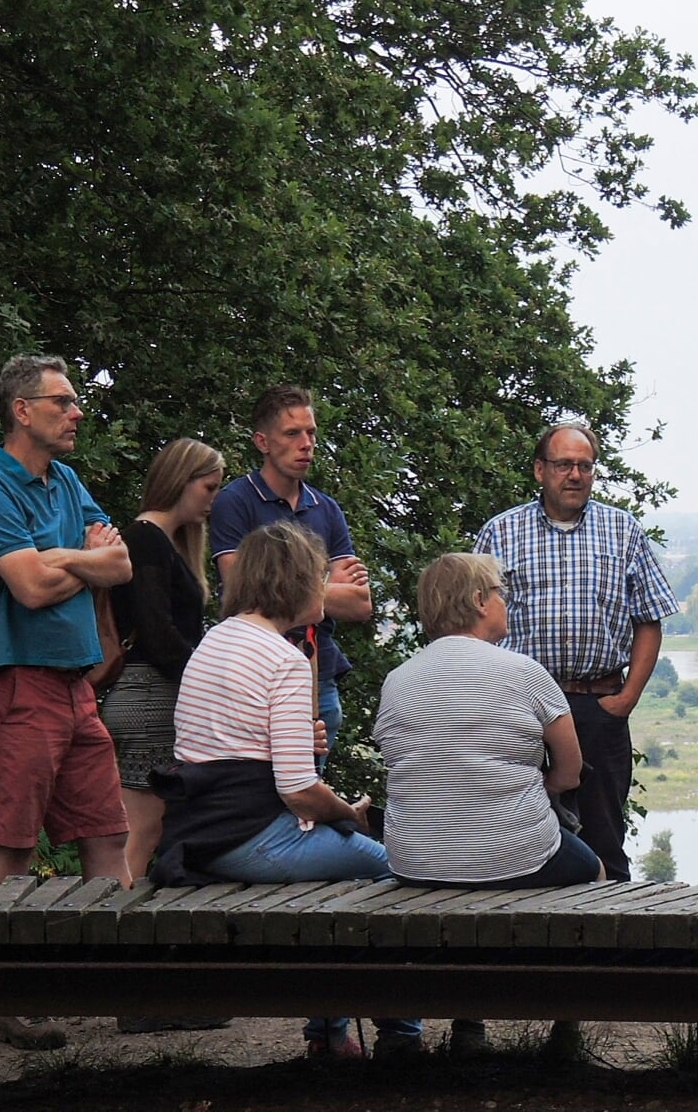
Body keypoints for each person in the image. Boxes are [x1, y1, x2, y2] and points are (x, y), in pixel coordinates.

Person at [153, 521, 420, 1059]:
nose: (324, 589)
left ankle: (328, 1034)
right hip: (255, 839)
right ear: (296, 583)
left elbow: (231, 743)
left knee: (337, 887)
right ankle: (401, 1037)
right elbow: (298, 791)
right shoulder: (284, 659)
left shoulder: (216, 639)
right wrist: (350, 813)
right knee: (396, 871)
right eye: (318, 578)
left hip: (199, 832)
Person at [0, 354, 133, 1050]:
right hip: (12, 680)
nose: (77, 412)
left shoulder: (66, 479)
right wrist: (73, 561)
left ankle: (110, 981)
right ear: (22, 410)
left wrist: (56, 558)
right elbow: (27, 589)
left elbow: (119, 564)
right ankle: (12, 1000)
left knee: (107, 831)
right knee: (13, 841)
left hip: (75, 681)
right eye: (63, 401)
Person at [374, 552, 603, 1056]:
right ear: (479, 602)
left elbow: (396, 760)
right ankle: (566, 1030)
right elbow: (568, 772)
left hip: (418, 860)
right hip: (515, 856)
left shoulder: (398, 680)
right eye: (500, 592)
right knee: (592, 870)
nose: (505, 602)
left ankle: (469, 1026)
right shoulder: (525, 673)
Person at [473, 422, 679, 884]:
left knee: (604, 838)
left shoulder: (622, 530)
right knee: (515, 833)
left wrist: (625, 701)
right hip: (519, 709)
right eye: (564, 464)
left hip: (597, 705)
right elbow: (475, 623)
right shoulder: (500, 533)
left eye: (585, 466)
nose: (575, 475)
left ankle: (615, 944)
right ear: (539, 470)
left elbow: (650, 619)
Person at [209, 386, 371, 763]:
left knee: (308, 797)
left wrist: (279, 588)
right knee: (264, 793)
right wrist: (324, 589)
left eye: (311, 433)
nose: (306, 443)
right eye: (292, 433)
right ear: (262, 441)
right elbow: (241, 591)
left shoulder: (326, 508)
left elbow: (360, 605)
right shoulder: (236, 501)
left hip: (319, 674)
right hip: (254, 673)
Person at [100, 437, 225, 883]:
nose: (213, 499)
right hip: (150, 695)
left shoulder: (165, 543)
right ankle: (108, 921)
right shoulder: (146, 540)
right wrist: (211, 683)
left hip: (156, 695)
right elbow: (157, 633)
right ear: (180, 480)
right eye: (208, 487)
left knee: (150, 828)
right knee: (142, 829)